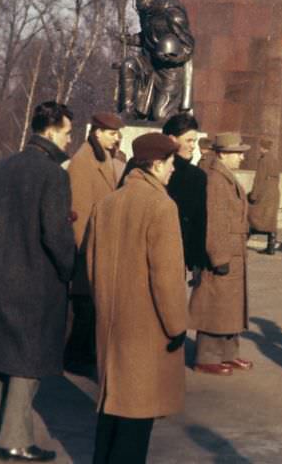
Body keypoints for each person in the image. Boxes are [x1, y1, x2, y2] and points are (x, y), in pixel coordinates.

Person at [87, 131, 187, 464]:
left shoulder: (107, 203)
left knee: (111, 409)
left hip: (111, 325)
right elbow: (167, 278)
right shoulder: (161, 206)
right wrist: (176, 326)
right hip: (146, 329)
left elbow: (89, 266)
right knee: (136, 417)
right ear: (156, 165)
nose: (174, 168)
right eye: (171, 162)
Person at [0, 101, 76, 463]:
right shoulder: (53, 174)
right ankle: (14, 440)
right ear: (53, 130)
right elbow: (56, 236)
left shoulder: (3, 166)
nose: (71, 140)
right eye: (69, 132)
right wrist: (70, 268)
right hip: (35, 284)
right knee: (27, 366)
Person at [189, 132, 253, 375]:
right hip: (224, 252)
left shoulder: (225, 176)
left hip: (234, 252)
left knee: (230, 307)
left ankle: (228, 353)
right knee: (214, 306)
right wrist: (219, 256)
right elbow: (214, 221)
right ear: (225, 154)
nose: (242, 157)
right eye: (238, 153)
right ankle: (206, 356)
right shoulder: (216, 180)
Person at [65, 111, 124, 372]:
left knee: (91, 306)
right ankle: (75, 358)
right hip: (88, 247)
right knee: (85, 306)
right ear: (97, 133)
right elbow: (79, 213)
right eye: (112, 133)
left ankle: (82, 354)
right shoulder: (83, 161)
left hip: (99, 245)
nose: (116, 138)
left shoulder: (103, 158)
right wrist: (86, 253)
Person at [164, 113, 208, 272]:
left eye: (194, 141)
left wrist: (196, 261)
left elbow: (199, 222)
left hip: (177, 257)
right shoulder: (149, 167)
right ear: (172, 139)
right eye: (189, 140)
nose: (193, 146)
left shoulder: (197, 177)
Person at [248, 137, 281, 255]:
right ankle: (271, 247)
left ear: (262, 148)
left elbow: (259, 179)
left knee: (252, 215)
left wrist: (253, 195)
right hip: (274, 192)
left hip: (264, 193)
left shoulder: (263, 160)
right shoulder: (274, 159)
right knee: (271, 219)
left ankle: (244, 240)